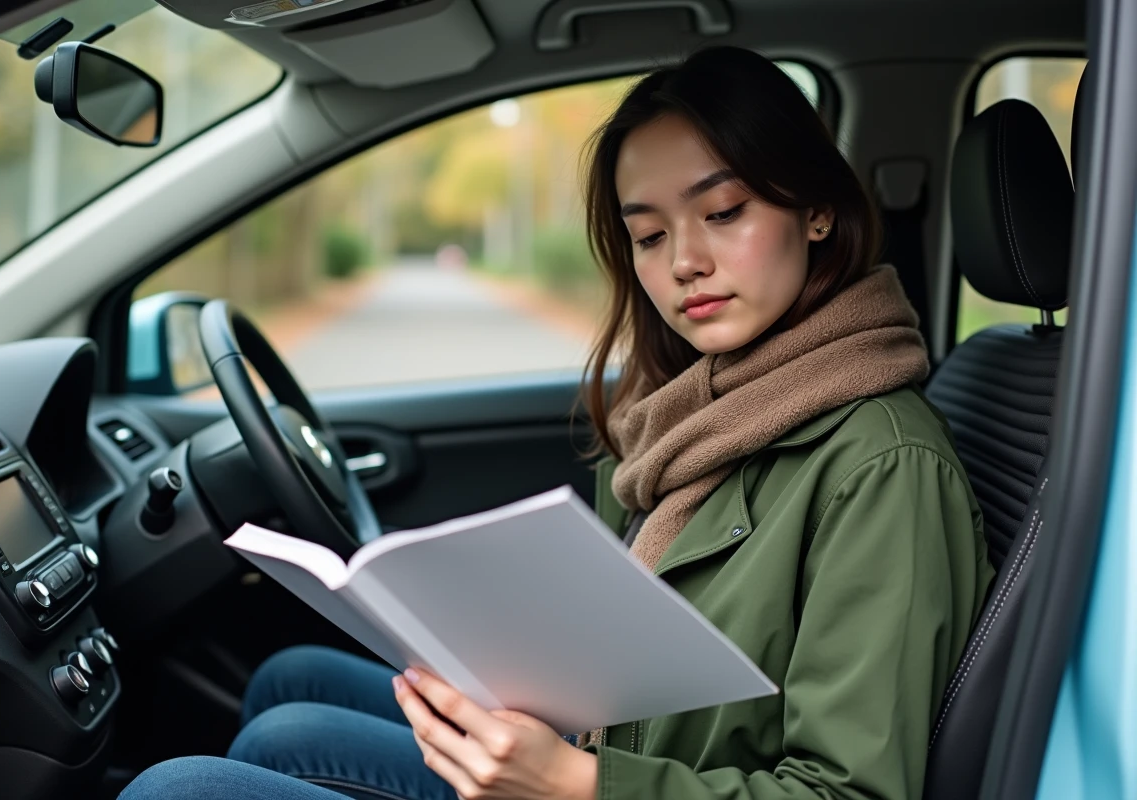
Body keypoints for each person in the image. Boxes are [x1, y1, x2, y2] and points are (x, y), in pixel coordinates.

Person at [119, 45, 993, 800]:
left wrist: (576, 783)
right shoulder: (694, 412)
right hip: (607, 755)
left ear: (817, 209)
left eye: (724, 213)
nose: (685, 261)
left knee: (175, 788)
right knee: (287, 689)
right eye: (648, 235)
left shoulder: (885, 465)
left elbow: (850, 791)